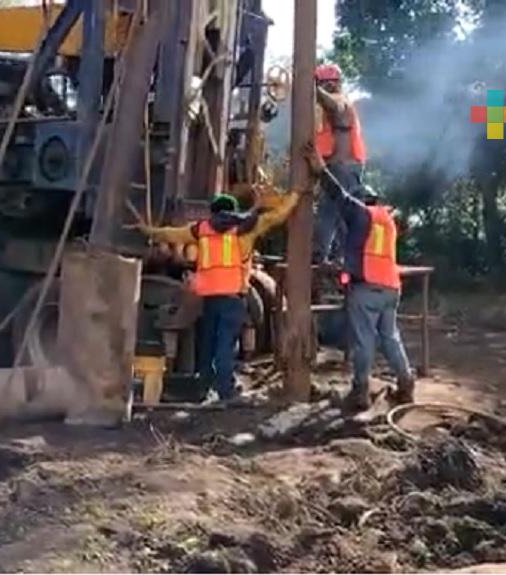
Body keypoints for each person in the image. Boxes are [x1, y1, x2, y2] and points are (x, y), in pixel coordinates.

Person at [139, 176, 310, 402]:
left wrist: (147, 230)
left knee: (207, 345)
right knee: (225, 346)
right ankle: (226, 391)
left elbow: (171, 233)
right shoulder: (244, 229)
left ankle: (202, 388)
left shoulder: (201, 230)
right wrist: (296, 195)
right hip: (232, 298)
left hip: (209, 299)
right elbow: (276, 217)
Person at [306, 144, 414, 410]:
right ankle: (406, 383)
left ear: (362, 200)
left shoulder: (361, 213)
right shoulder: (386, 221)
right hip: (391, 288)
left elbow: (339, 196)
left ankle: (360, 391)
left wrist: (320, 170)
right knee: (390, 337)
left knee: (363, 339)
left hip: (366, 288)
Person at [312, 62, 367, 264]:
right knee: (344, 215)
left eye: (323, 84)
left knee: (329, 210)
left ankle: (319, 256)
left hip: (343, 168)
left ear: (332, 84)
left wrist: (313, 88)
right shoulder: (326, 113)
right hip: (342, 167)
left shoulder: (340, 102)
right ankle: (343, 257)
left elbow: (334, 105)